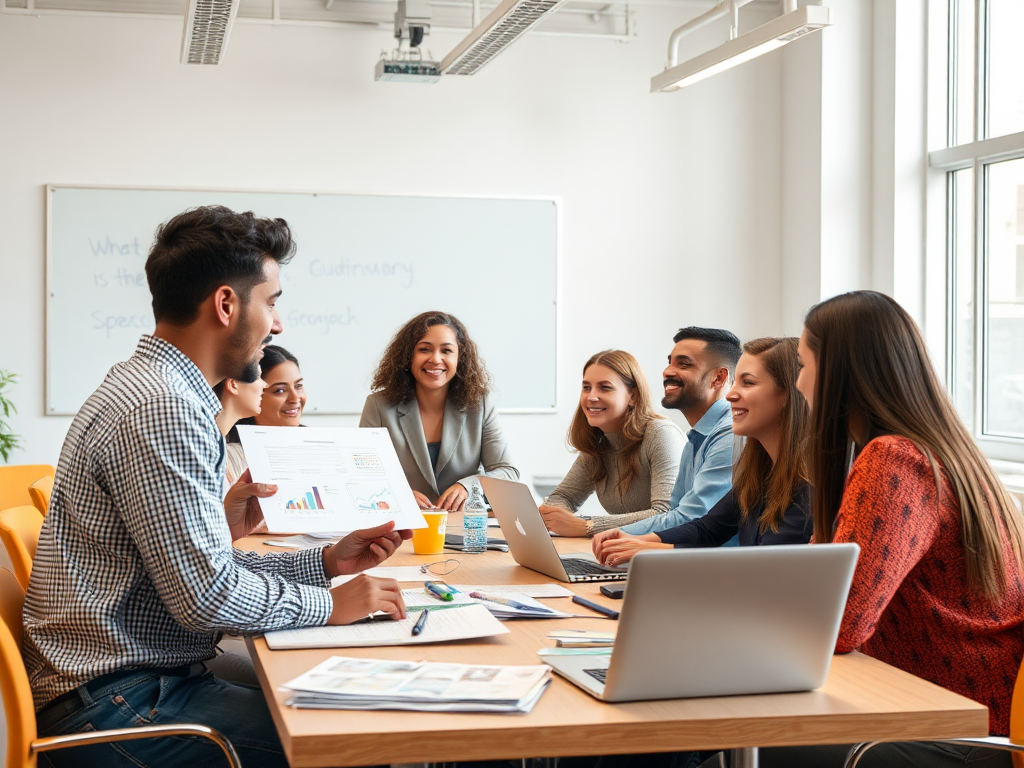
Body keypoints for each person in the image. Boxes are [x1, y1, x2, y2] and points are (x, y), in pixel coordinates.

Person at [22, 206, 412, 768]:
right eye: (271, 303)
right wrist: (328, 604)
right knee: (363, 741)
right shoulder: (164, 409)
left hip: (126, 683)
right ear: (227, 305)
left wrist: (327, 562)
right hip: (119, 704)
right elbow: (206, 599)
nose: (277, 325)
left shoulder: (149, 386)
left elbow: (204, 573)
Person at [758, 291, 1024, 768]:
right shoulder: (942, 454)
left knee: (718, 748)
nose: (798, 383)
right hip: (958, 716)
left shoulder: (895, 460)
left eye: (802, 365)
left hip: (957, 734)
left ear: (838, 372)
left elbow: (839, 625)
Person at [592, 337, 811, 565]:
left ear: (790, 394)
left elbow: (763, 565)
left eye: (748, 383)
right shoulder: (759, 472)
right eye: (736, 382)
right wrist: (639, 540)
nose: (730, 395)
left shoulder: (809, 484)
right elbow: (709, 527)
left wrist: (649, 549)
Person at [360, 311, 519, 511]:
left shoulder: (480, 404)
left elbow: (507, 472)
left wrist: (469, 487)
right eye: (424, 349)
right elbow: (361, 475)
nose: (436, 359)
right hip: (406, 523)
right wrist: (397, 494)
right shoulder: (378, 405)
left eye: (446, 350)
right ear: (408, 356)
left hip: (463, 523)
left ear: (460, 358)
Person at [607, 327, 741, 539]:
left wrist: (614, 534)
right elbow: (673, 512)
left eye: (684, 364)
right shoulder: (695, 438)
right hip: (684, 555)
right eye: (670, 362)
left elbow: (691, 518)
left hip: (713, 559)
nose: (667, 372)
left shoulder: (730, 434)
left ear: (718, 378)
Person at [537, 350, 684, 537]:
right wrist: (555, 517)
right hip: (627, 548)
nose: (591, 397)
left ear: (633, 397)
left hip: (665, 551)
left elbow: (666, 515)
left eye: (605, 388)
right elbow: (563, 497)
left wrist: (587, 526)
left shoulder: (661, 434)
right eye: (586, 388)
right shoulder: (599, 443)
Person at [213, 375, 266, 486]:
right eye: (258, 376)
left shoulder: (218, 445)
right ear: (233, 384)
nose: (265, 384)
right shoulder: (208, 447)